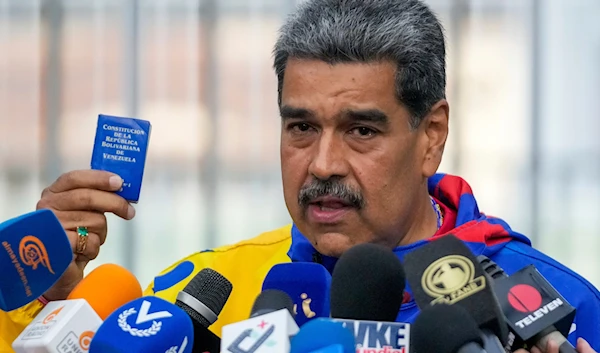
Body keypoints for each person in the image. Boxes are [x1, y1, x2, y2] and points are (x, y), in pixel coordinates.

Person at [1, 0, 599, 351]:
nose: (322, 164)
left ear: (431, 135)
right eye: (301, 127)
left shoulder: (556, 306)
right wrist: (41, 300)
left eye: (362, 130)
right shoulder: (208, 288)